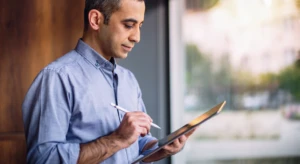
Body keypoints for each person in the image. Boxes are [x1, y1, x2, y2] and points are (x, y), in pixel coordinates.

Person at [22, 0, 195, 163]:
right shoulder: (56, 78)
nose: (137, 37)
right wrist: (117, 139)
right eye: (129, 25)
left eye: (139, 26)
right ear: (96, 20)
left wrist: (160, 148)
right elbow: (43, 159)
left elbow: (137, 145)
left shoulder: (129, 80)